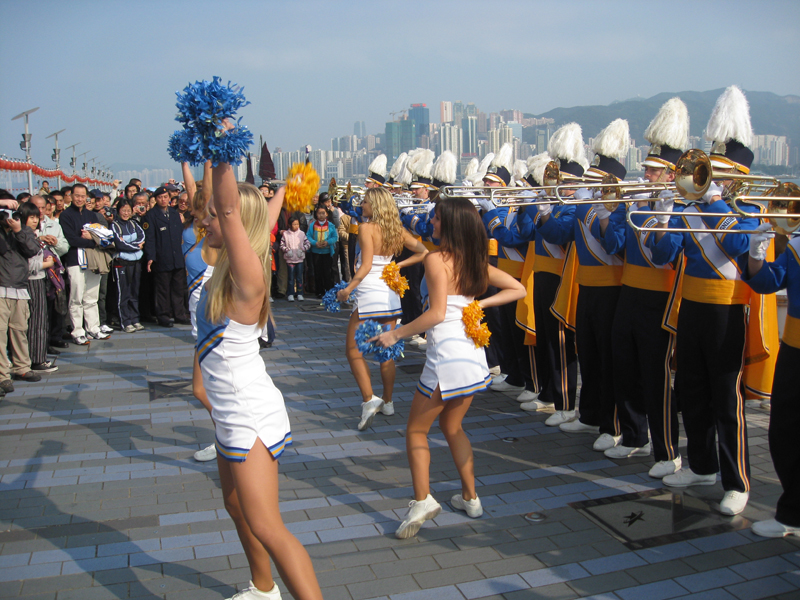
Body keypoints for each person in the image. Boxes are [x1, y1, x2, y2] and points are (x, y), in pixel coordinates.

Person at [193, 159, 323, 600]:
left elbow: (233, 212)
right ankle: (264, 588)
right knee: (234, 505)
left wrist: (221, 146)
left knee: (268, 525)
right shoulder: (233, 262)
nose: (205, 219)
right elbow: (254, 215)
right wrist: (284, 187)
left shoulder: (247, 274)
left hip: (248, 410)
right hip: (229, 409)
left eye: (213, 214)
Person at [372, 197, 525, 538]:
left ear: (453, 224)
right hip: (473, 356)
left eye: (438, 219)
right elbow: (518, 288)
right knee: (452, 426)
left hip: (447, 359)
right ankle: (470, 498)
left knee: (415, 431)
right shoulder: (475, 261)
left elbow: (437, 313)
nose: (432, 224)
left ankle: (422, 500)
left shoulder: (436, 259)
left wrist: (395, 333)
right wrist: (477, 304)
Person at [650, 86, 761, 515]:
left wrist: (710, 203)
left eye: (717, 174)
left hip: (727, 311)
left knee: (724, 397)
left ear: (734, 177)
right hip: (690, 309)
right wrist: (663, 217)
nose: (708, 179)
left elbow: (736, 245)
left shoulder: (747, 209)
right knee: (690, 389)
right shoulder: (688, 206)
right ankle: (700, 464)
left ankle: (737, 481)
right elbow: (662, 256)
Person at [591, 98, 689, 478]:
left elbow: (665, 253)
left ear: (671, 175)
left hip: (659, 298)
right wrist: (612, 210)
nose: (646, 176)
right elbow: (614, 245)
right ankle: (633, 436)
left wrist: (664, 220)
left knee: (656, 374)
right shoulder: (633, 201)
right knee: (624, 365)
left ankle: (667, 452)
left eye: (653, 172)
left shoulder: (680, 208)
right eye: (646, 170)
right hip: (629, 293)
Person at [336, 187, 427, 430]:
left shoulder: (366, 228)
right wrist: (397, 266)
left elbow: (365, 266)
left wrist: (348, 289)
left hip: (370, 291)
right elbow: (423, 252)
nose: (362, 205)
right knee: (386, 351)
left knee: (353, 351)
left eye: (365, 202)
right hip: (390, 294)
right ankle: (388, 401)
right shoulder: (396, 229)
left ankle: (369, 399)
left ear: (374, 206)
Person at [744, 225, 800, 537]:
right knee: (785, 431)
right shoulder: (796, 244)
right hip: (794, 348)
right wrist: (756, 255)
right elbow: (766, 282)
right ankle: (793, 512)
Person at [0, 190, 43, 394]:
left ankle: (22, 367)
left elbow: (32, 249)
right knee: (0, 335)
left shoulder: (23, 230)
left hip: (19, 287)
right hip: (1, 287)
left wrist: (18, 230)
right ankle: (2, 374)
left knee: (19, 330)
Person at [59, 183, 110, 345]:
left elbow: (101, 236)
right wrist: (90, 240)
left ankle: (93, 327)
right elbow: (71, 239)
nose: (80, 199)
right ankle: (77, 330)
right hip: (74, 260)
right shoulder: (66, 215)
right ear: (71, 196)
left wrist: (92, 239)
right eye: (77, 195)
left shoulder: (91, 215)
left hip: (92, 260)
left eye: (83, 196)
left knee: (92, 296)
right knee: (76, 297)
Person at [18, 202, 58, 373]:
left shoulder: (30, 234)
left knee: (38, 320)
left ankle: (37, 357)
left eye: (36, 217)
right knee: (37, 320)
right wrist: (45, 264)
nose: (35, 220)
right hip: (32, 279)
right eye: (31, 217)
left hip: (37, 279)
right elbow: (28, 261)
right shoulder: (23, 236)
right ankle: (37, 359)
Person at [143, 186, 190, 327]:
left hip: (177, 257)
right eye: (160, 197)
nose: (163, 200)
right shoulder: (150, 216)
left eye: (165, 197)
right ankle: (163, 316)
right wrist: (151, 257)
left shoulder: (175, 214)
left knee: (178, 288)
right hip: (162, 257)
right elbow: (150, 239)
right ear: (155, 199)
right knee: (162, 289)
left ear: (169, 199)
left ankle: (179, 314)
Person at [111, 201, 145, 332]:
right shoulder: (114, 225)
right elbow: (119, 244)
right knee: (123, 293)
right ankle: (125, 321)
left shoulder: (134, 224)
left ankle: (134, 318)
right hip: (122, 264)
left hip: (136, 263)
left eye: (128, 210)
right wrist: (136, 247)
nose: (126, 213)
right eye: (123, 210)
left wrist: (131, 245)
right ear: (118, 211)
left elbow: (142, 237)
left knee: (134, 292)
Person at [307, 205, 338, 298]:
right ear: (316, 214)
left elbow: (335, 237)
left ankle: (328, 291)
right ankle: (319, 292)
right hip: (316, 252)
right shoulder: (312, 225)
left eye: (323, 213)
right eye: (319, 213)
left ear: (327, 214)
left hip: (327, 252)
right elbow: (308, 236)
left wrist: (327, 242)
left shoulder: (331, 225)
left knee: (327, 272)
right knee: (317, 272)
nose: (321, 215)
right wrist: (314, 243)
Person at [280, 216, 310, 301]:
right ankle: (290, 293)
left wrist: (302, 250)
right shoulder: (285, 234)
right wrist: (287, 250)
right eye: (294, 224)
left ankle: (300, 293)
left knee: (299, 277)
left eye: (297, 224)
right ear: (289, 225)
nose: (296, 226)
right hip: (290, 259)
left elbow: (308, 244)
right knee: (290, 277)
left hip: (299, 259)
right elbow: (282, 245)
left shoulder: (302, 234)